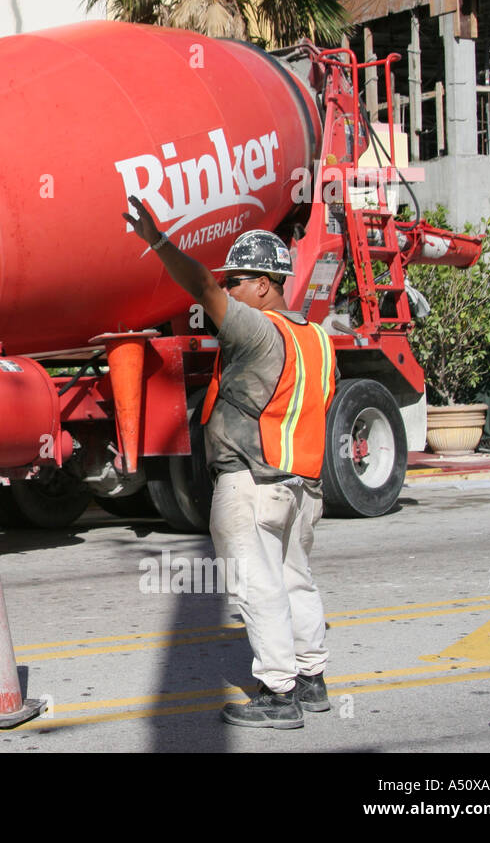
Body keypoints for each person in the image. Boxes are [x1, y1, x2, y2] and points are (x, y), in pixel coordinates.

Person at [123, 196, 337, 730]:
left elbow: (203, 288)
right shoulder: (319, 341)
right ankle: (312, 680)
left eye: (238, 281)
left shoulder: (259, 330)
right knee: (296, 579)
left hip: (252, 482)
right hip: (302, 484)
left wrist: (157, 241)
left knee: (253, 582)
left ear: (265, 283)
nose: (230, 291)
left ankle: (277, 692)